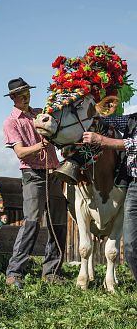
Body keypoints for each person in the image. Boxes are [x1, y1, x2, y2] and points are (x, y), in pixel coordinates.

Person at [3, 77, 68, 288]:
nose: (26, 96)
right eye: (21, 93)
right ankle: (14, 273)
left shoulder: (39, 114)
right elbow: (20, 152)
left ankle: (52, 272)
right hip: (32, 175)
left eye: (27, 92)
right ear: (12, 97)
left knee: (58, 222)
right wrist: (41, 146)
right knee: (31, 222)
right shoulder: (11, 122)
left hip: (53, 173)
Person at [82, 113, 137, 283]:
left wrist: (101, 140)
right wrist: (91, 111)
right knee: (130, 244)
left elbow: (132, 144)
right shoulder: (132, 120)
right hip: (133, 184)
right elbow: (108, 119)